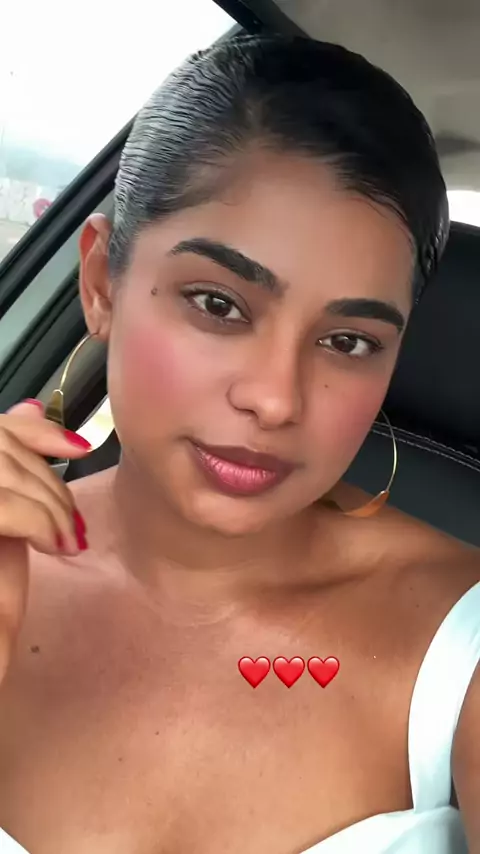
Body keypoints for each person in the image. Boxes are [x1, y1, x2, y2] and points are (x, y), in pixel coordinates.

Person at [0, 33, 478, 854]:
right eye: (218, 304)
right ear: (101, 284)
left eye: (349, 341)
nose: (275, 398)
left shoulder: (462, 649)